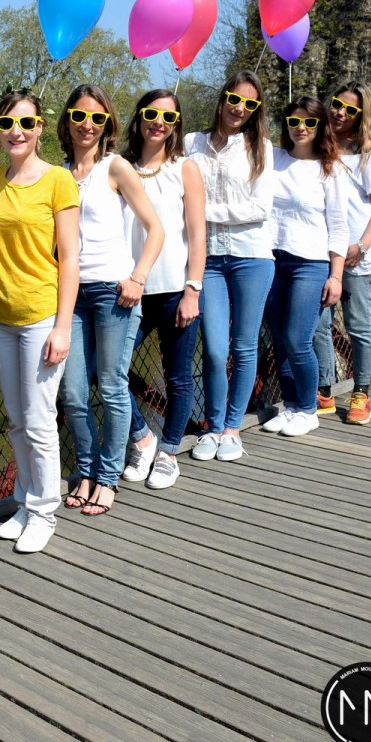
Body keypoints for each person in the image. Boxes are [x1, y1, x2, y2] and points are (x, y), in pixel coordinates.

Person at [0, 89, 79, 551]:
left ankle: (45, 510)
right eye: (7, 123)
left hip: (40, 315)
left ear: (39, 129)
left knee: (39, 419)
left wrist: (62, 327)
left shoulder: (58, 181)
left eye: (26, 123)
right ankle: (25, 501)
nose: (16, 131)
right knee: (16, 419)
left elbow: (70, 258)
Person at [59, 85, 164, 516]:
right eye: (80, 116)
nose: (87, 125)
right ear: (67, 120)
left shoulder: (115, 167)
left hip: (113, 293)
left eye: (97, 118)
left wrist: (138, 277)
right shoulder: (58, 174)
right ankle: (85, 471)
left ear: (108, 124)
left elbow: (155, 228)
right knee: (73, 392)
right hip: (70, 295)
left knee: (113, 386)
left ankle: (107, 478)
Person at [186, 71, 276, 462]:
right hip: (207, 259)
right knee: (214, 348)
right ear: (222, 98)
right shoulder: (192, 143)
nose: (240, 108)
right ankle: (212, 424)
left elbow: (259, 208)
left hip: (251, 257)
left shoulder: (261, 148)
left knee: (244, 345)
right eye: (234, 99)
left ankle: (232, 428)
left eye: (249, 103)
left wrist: (201, 211)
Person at [120, 90, 206, 490]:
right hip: (130, 291)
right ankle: (142, 437)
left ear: (176, 125)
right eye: (152, 114)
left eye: (168, 118)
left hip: (174, 289)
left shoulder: (184, 168)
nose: (159, 123)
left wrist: (193, 290)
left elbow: (198, 233)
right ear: (139, 118)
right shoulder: (119, 166)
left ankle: (169, 453)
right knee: (106, 370)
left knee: (178, 378)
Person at [262, 98, 348, 438]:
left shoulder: (330, 169)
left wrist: (336, 276)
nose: (301, 128)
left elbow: (339, 227)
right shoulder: (273, 158)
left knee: (298, 339)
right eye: (294, 121)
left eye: (309, 123)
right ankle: (291, 405)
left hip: (310, 263)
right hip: (271, 259)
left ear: (320, 126)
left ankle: (309, 409)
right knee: (280, 340)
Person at [314, 81, 371, 425]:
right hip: (323, 250)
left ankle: (361, 391)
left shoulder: (370, 154)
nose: (340, 113)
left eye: (350, 110)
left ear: (362, 115)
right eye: (337, 104)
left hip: (359, 254)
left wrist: (362, 245)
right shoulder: (319, 145)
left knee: (359, 324)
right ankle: (324, 390)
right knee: (319, 323)